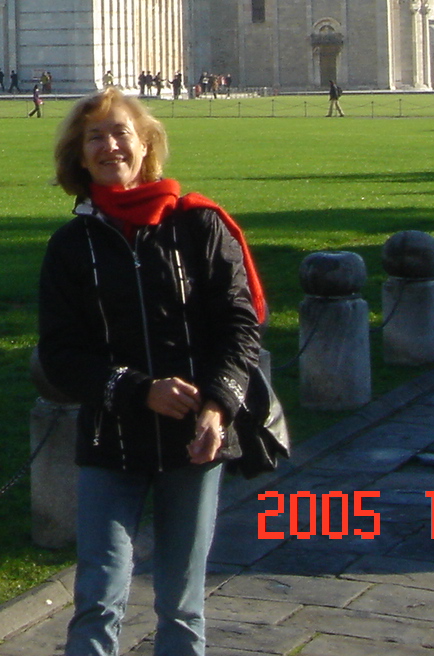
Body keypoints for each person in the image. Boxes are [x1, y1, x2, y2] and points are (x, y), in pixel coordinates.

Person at [37, 89, 265, 656]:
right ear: (79, 155)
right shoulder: (71, 246)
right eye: (95, 136)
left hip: (195, 439)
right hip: (109, 442)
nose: (110, 145)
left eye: (121, 133)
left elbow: (239, 328)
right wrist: (139, 390)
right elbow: (62, 355)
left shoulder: (198, 227)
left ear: (146, 146)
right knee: (97, 598)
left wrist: (217, 408)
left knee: (182, 607)